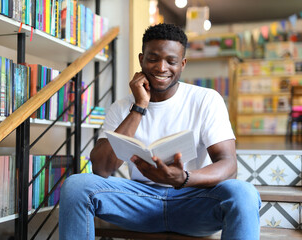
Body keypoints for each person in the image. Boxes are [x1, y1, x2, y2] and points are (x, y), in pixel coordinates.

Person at [59, 23, 261, 240]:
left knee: (244, 193)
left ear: (182, 64)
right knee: (76, 186)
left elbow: (229, 166)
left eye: (171, 61)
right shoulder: (121, 107)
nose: (161, 68)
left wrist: (184, 178)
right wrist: (139, 107)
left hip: (192, 201)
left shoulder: (206, 99)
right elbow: (101, 168)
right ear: (141, 60)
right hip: (138, 201)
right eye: (153, 59)